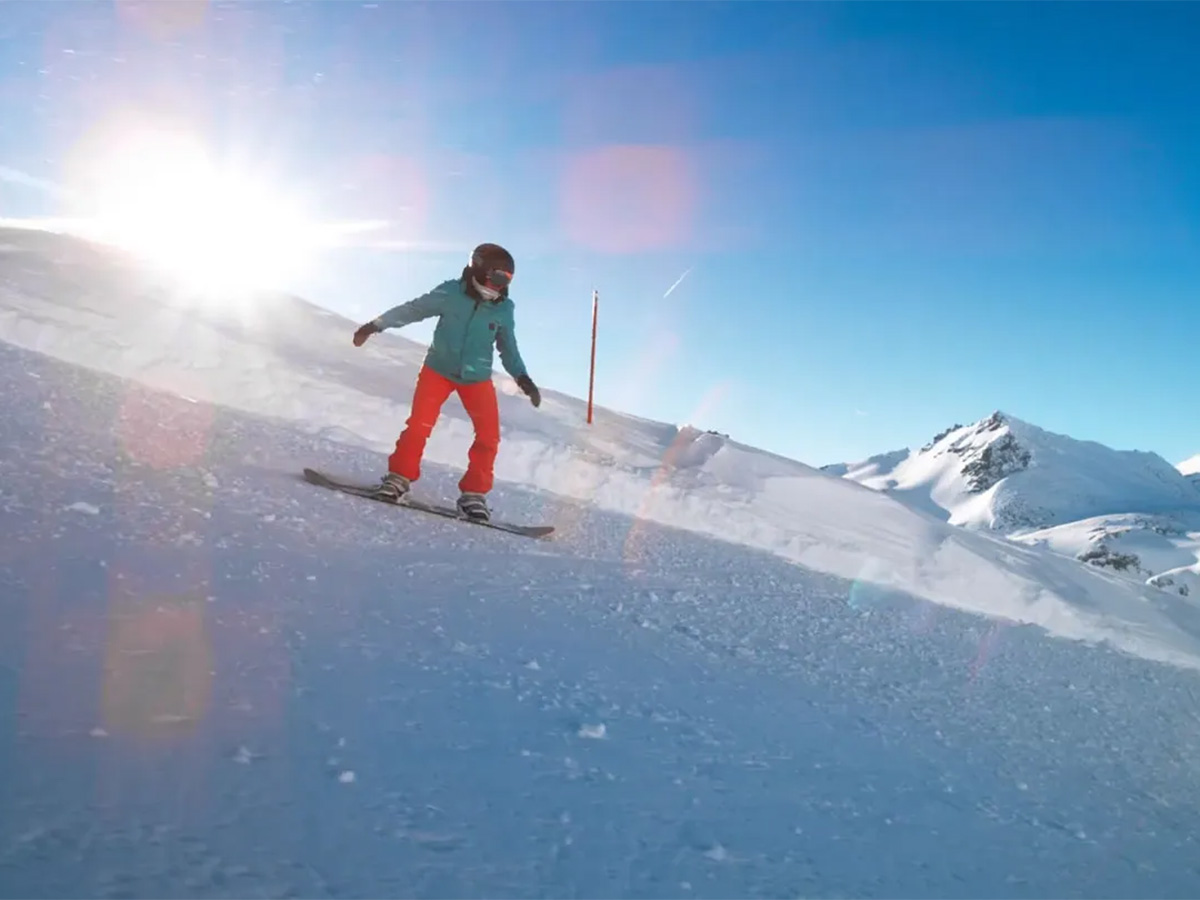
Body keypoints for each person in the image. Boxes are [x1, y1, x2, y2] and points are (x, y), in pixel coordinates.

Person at [351, 242, 541, 523]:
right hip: (438, 370)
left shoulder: (503, 308)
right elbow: (413, 309)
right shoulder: (451, 292)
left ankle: (473, 495)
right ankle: (399, 478)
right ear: (480, 269)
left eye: (507, 280)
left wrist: (522, 378)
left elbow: (508, 347)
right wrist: (376, 325)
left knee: (488, 437)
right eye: (498, 277)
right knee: (419, 425)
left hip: (477, 379)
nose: (501, 286)